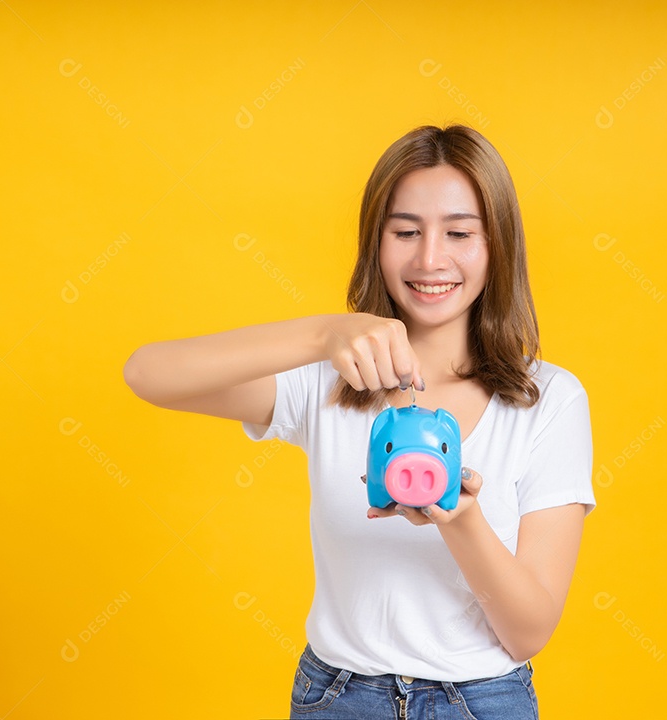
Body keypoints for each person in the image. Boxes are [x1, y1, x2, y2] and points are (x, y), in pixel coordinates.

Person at [123, 123, 596, 719]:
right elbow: (149, 374)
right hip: (339, 698)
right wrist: (323, 334)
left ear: (496, 244)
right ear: (376, 240)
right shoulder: (326, 380)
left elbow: (528, 633)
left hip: (482, 702)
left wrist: (461, 519)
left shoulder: (547, 399)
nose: (430, 258)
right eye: (405, 231)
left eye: (458, 232)